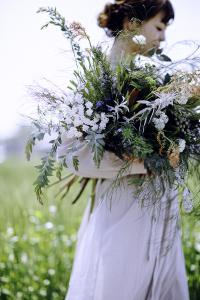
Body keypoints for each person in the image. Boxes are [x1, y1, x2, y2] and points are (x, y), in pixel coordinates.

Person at [58, 1, 190, 299]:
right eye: (159, 26)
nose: (164, 37)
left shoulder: (151, 81)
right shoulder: (95, 79)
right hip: (123, 215)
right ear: (131, 23)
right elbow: (69, 154)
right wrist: (141, 163)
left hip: (161, 215)